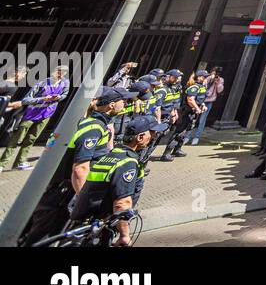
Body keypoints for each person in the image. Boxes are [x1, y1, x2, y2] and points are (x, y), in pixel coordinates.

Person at [18, 87, 130, 246]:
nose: (125, 104)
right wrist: (83, 200)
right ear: (111, 105)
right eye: (123, 101)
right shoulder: (93, 128)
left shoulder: (87, 123)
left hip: (56, 190)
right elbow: (80, 168)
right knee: (43, 239)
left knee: (35, 233)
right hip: (62, 195)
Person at [65, 114, 167, 246]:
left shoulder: (111, 156)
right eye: (152, 133)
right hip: (98, 229)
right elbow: (122, 204)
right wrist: (124, 235)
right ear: (140, 137)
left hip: (86, 225)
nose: (154, 137)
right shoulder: (127, 163)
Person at [0, 64, 69, 170]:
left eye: (63, 73)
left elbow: (64, 95)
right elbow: (26, 100)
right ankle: (2, 164)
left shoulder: (65, 83)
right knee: (16, 139)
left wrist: (58, 97)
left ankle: (20, 162)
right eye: (59, 71)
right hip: (31, 114)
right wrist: (42, 99)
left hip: (46, 115)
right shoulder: (42, 83)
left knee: (31, 139)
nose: (60, 74)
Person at [160, 70, 208, 160]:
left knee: (185, 132)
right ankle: (166, 153)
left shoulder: (201, 87)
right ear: (199, 77)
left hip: (193, 114)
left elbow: (200, 99)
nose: (206, 78)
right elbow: (190, 99)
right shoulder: (194, 87)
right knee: (179, 132)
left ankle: (177, 149)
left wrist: (203, 105)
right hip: (187, 113)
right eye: (204, 77)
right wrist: (197, 108)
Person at [189, 67, 223, 145]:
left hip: (209, 101)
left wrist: (217, 82)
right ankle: (187, 136)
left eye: (216, 73)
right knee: (193, 118)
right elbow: (201, 86)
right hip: (199, 100)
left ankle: (197, 137)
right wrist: (209, 79)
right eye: (214, 72)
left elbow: (220, 90)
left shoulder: (220, 80)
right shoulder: (205, 78)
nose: (214, 74)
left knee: (202, 119)